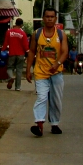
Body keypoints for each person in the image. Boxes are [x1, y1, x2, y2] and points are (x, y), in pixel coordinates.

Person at [26, 7, 68, 136]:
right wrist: (28, 69)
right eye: (47, 16)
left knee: (56, 100)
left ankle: (54, 123)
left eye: (52, 16)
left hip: (56, 73)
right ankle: (39, 124)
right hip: (40, 73)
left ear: (55, 19)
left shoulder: (61, 34)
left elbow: (64, 52)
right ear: (43, 18)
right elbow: (32, 51)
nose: (49, 19)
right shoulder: (37, 34)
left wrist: (57, 64)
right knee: (42, 97)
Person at [2, 18, 30, 91]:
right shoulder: (23, 33)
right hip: (21, 54)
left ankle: (11, 77)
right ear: (21, 25)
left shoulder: (9, 32)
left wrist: (3, 50)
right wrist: (28, 52)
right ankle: (18, 87)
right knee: (19, 70)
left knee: (9, 68)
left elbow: (5, 43)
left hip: (12, 53)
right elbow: (25, 45)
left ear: (15, 23)